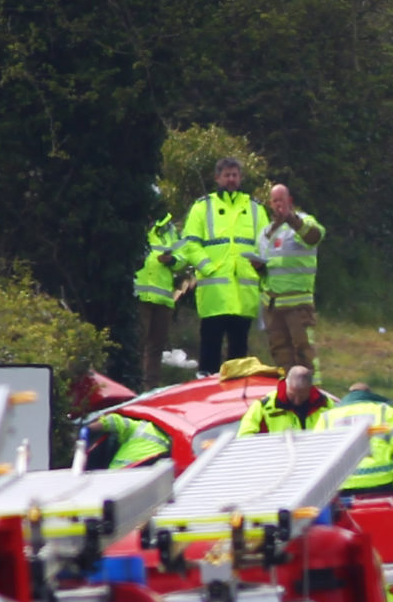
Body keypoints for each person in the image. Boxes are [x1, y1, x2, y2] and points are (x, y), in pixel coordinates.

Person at [180, 157, 271, 374]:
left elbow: (266, 245)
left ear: (240, 178)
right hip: (214, 293)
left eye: (235, 175)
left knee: (239, 353)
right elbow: (190, 243)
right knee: (210, 348)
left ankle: (234, 398)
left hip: (243, 293)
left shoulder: (255, 208)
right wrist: (208, 268)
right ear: (217, 178)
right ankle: (205, 391)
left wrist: (259, 267)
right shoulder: (202, 207)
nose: (231, 179)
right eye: (227, 175)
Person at [256, 183, 325, 376]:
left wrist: (292, 219)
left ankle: (314, 394)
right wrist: (259, 267)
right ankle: (289, 394)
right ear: (270, 203)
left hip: (298, 303)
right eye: (275, 200)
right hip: (272, 305)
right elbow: (267, 265)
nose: (279, 204)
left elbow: (315, 236)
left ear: (290, 201)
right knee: (280, 355)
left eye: (282, 199)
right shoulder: (265, 232)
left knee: (304, 351)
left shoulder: (302, 221)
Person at [131, 185, 185, 389]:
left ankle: (150, 390)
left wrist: (172, 260)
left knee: (156, 347)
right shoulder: (135, 225)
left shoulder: (169, 229)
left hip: (163, 297)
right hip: (140, 295)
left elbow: (183, 258)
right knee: (137, 344)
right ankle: (132, 386)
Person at [338, 383, 393, 497]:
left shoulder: (328, 416)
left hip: (341, 485)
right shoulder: (386, 412)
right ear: (369, 395)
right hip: (381, 483)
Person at [238, 364, 340, 436]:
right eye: (292, 395)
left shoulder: (325, 405)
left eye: (302, 395)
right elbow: (244, 439)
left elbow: (338, 435)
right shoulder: (263, 407)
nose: (297, 401)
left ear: (310, 389)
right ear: (286, 385)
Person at [88, 407, 170, 469]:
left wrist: (89, 428)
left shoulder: (142, 426)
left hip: (114, 476)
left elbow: (114, 421)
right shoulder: (169, 445)